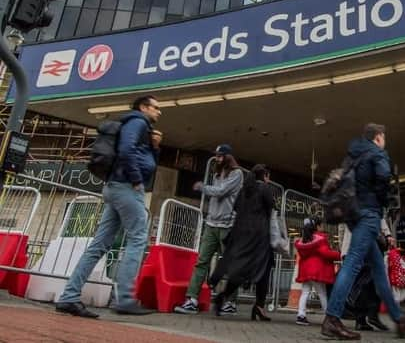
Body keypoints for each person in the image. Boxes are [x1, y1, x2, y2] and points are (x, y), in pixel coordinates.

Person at [56, 95, 162, 317]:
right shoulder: (138, 122)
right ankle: (125, 299)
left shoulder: (135, 125)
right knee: (137, 239)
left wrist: (154, 147)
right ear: (144, 107)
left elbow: (142, 157)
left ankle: (69, 297)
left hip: (115, 186)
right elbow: (126, 150)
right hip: (126, 186)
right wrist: (135, 179)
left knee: (99, 244)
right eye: (156, 108)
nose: (159, 112)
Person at [321, 123, 405, 340]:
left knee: (377, 268)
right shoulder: (377, 153)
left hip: (353, 215)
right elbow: (383, 178)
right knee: (353, 262)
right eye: (384, 137)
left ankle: (398, 317)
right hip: (369, 213)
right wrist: (382, 202)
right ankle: (332, 319)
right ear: (378, 137)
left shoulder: (353, 155)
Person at [175, 144, 244, 315]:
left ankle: (230, 302)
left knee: (229, 266)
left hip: (227, 225)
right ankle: (191, 299)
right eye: (216, 156)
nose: (217, 159)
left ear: (228, 157)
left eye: (220, 156)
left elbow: (221, 191)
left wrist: (203, 187)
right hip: (212, 223)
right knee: (202, 262)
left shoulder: (237, 173)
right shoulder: (217, 173)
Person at [208, 164, 274, 321]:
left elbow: (237, 207)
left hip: (241, 235)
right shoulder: (264, 189)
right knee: (264, 269)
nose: (269, 179)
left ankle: (223, 297)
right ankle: (259, 306)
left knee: (241, 270)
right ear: (264, 176)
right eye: (268, 176)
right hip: (259, 237)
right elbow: (271, 207)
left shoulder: (244, 190)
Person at [295, 216, 340, 326]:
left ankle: (301, 315)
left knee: (305, 292)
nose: (323, 227)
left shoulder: (304, 240)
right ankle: (328, 316)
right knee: (322, 293)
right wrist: (339, 254)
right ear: (317, 226)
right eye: (322, 225)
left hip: (305, 271)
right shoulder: (319, 239)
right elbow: (326, 253)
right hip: (316, 271)